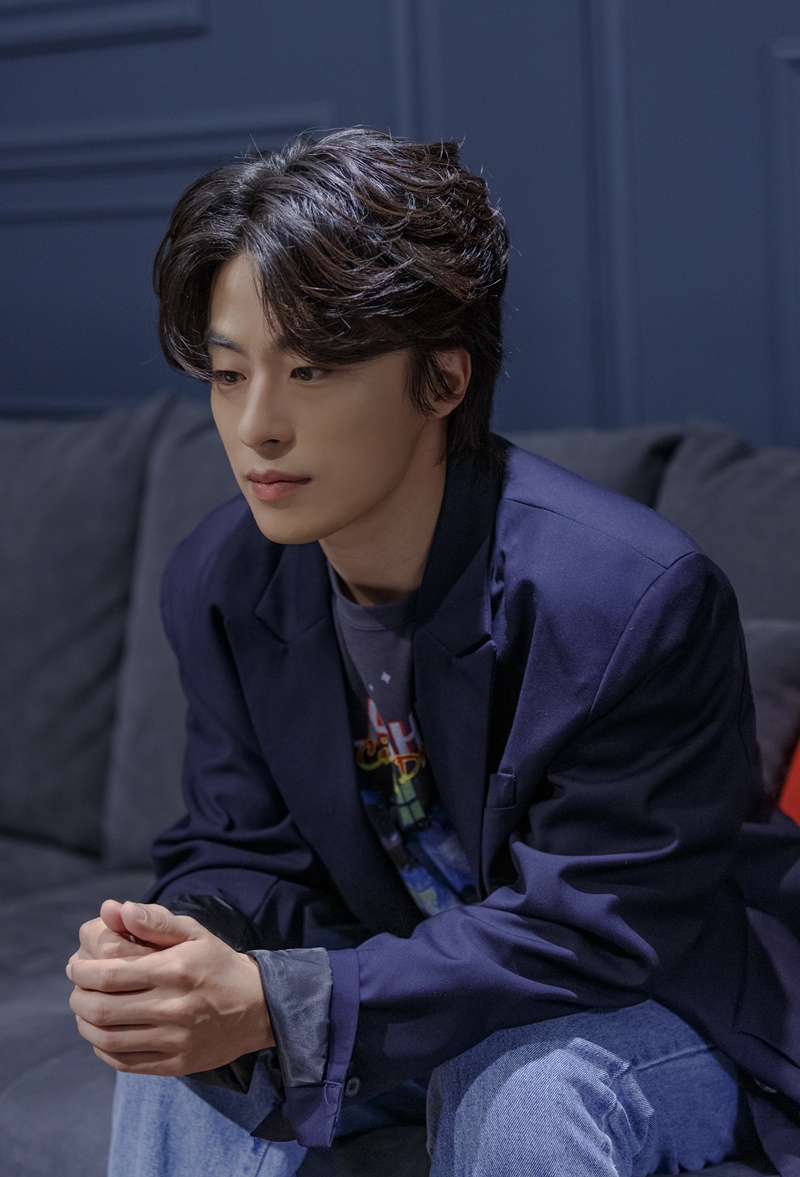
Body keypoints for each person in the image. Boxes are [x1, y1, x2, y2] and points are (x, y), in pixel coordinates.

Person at [67, 128, 800, 1177]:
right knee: (177, 1055)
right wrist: (178, 949)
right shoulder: (224, 580)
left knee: (524, 1089)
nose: (257, 426)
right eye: (228, 375)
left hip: (657, 994)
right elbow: (237, 844)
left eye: (311, 369)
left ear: (444, 376)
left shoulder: (627, 595)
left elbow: (592, 926)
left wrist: (285, 1001)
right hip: (411, 988)